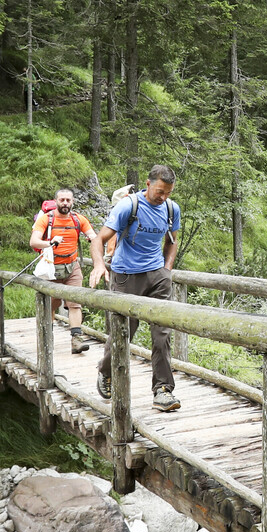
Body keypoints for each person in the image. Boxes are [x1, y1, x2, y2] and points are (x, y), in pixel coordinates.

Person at [89, 166, 184, 412]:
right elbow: (99, 239)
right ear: (148, 184)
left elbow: (172, 240)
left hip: (157, 276)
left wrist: (167, 269)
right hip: (125, 275)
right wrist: (99, 265)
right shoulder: (128, 206)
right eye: (160, 191)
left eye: (168, 193)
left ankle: (163, 390)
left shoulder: (172, 209)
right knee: (123, 332)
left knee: (162, 333)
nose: (163, 197)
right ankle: (106, 371)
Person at [29, 189, 95, 354]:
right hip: (51, 268)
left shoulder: (78, 219)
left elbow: (93, 235)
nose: (65, 203)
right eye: (62, 200)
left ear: (72, 201)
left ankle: (76, 340)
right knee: (53, 304)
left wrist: (93, 239)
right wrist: (50, 242)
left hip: (72, 266)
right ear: (56, 201)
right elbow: (34, 242)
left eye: (68, 200)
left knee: (75, 303)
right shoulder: (46, 219)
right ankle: (47, 337)